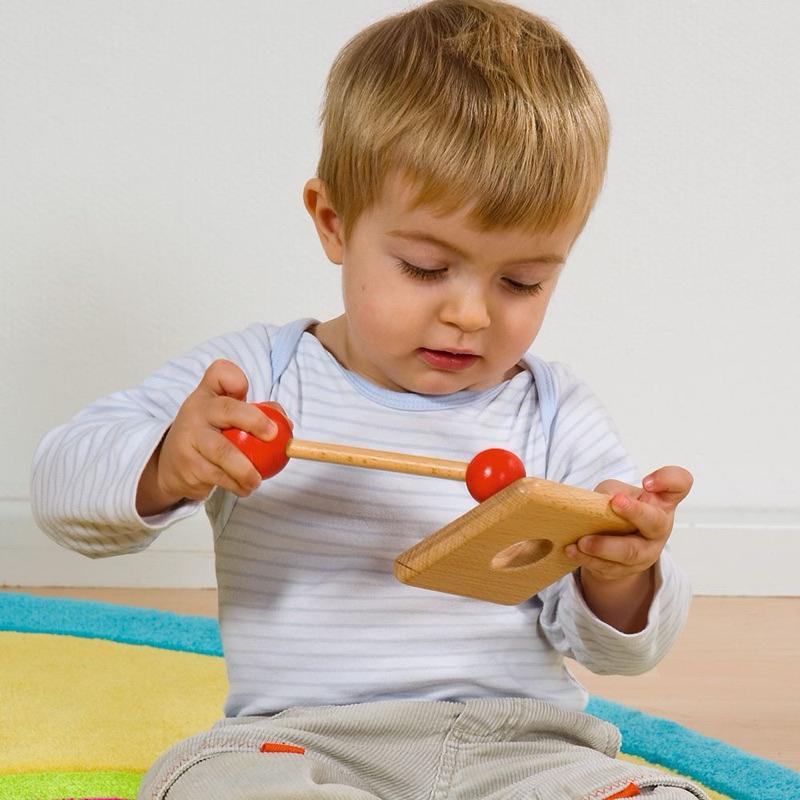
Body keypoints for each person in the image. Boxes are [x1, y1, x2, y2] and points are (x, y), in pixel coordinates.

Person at [31, 1, 704, 798]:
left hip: (522, 748)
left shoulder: (557, 415)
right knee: (210, 781)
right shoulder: (258, 378)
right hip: (302, 743)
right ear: (333, 222)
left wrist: (623, 575)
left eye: (521, 282)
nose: (470, 314)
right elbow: (60, 488)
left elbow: (621, 652)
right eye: (425, 268)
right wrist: (164, 464)